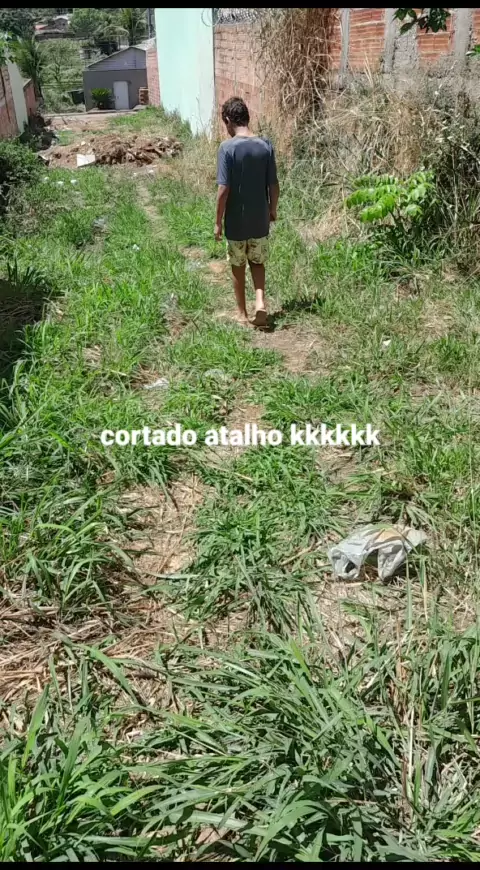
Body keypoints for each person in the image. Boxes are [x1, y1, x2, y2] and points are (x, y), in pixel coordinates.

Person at [215, 96, 280, 327]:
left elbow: (223, 189)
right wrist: (272, 209)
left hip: (236, 221)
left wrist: (218, 221)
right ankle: (260, 302)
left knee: (238, 264)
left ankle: (242, 314)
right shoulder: (265, 145)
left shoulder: (227, 148)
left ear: (228, 120)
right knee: (258, 261)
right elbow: (274, 185)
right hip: (260, 218)